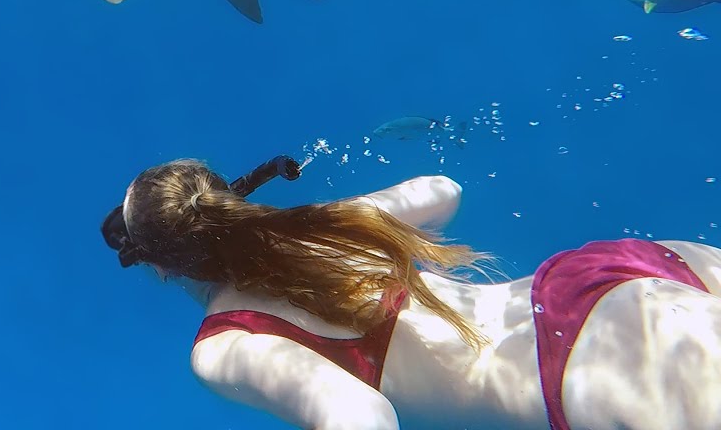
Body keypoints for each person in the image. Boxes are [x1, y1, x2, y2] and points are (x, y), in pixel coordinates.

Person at [100, 155, 721, 430]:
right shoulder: (329, 226)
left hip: (582, 369)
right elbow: (441, 191)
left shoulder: (224, 345)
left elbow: (363, 416)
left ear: (159, 267)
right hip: (612, 273)